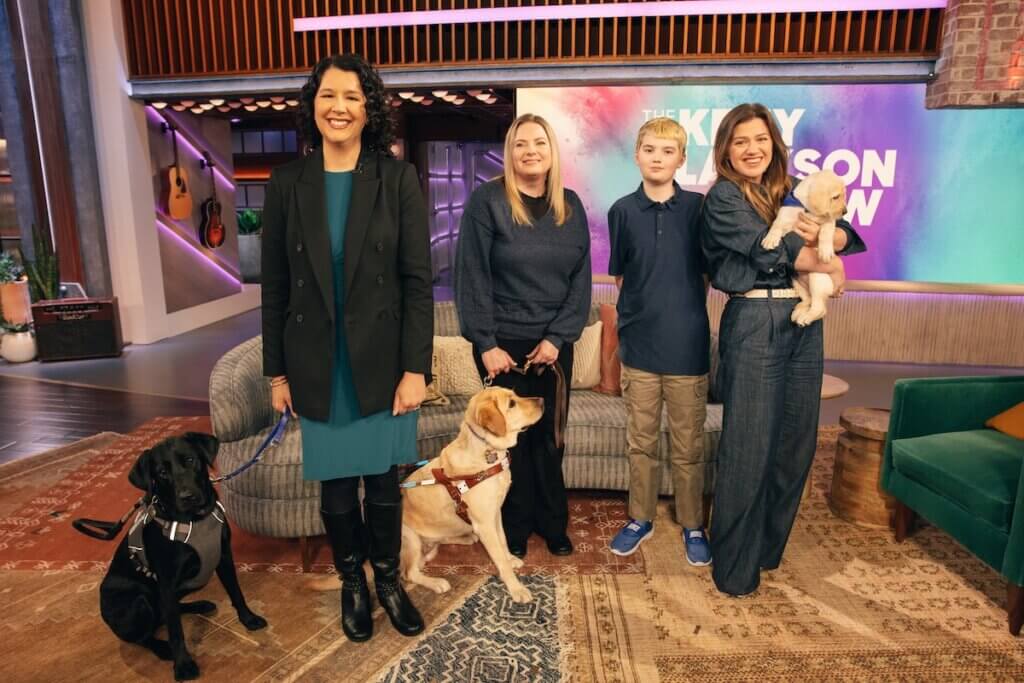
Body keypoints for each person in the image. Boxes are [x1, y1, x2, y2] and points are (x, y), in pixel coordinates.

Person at [261, 54, 433, 641]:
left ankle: (388, 580)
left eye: (353, 97)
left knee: (384, 482)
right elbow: (277, 290)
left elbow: (416, 282)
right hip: (317, 360)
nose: (339, 107)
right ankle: (352, 584)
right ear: (313, 105)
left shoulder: (396, 178)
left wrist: (416, 367)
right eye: (329, 95)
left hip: (382, 361)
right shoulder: (287, 185)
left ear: (370, 110)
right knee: (336, 487)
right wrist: (275, 374)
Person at [701, 103, 865, 597]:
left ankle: (767, 550)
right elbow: (778, 250)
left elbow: (846, 233)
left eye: (760, 139)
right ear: (726, 149)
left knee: (796, 445)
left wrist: (834, 239)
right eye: (740, 141)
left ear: (775, 142)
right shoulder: (724, 197)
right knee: (749, 446)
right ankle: (734, 567)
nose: (752, 149)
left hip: (803, 320)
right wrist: (830, 261)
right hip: (754, 319)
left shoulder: (792, 188)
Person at [454, 113, 592, 559]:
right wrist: (486, 343)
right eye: (520, 144)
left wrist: (558, 338)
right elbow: (471, 276)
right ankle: (513, 527)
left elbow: (581, 282)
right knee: (506, 445)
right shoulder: (487, 202)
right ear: (510, 152)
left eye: (539, 143)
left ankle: (552, 524)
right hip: (501, 348)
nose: (530, 151)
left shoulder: (570, 206)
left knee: (549, 441)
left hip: (552, 347)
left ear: (552, 153)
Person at [605, 117, 713, 566]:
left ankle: (692, 523)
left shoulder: (699, 209)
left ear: (682, 158)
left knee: (689, 444)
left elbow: (707, 274)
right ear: (637, 154)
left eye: (667, 151)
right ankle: (640, 518)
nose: (657, 157)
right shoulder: (622, 211)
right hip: (641, 349)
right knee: (641, 442)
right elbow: (620, 276)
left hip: (688, 346)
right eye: (649, 149)